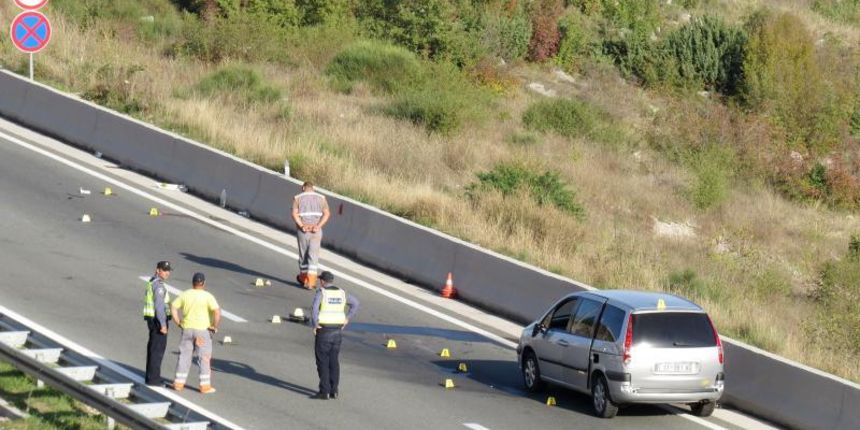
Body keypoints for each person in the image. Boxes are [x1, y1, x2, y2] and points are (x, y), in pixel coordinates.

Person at [310, 271, 359, 400]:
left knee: (322, 361)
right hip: (337, 332)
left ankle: (324, 391)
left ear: (322, 281)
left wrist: (315, 324)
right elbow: (356, 304)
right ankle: (334, 390)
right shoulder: (342, 293)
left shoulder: (322, 292)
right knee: (334, 361)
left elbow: (314, 309)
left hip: (324, 330)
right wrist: (347, 318)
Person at [171, 272, 221, 394]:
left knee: (184, 356)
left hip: (187, 329)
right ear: (203, 283)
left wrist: (178, 322)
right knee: (204, 357)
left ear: (192, 283)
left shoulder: (185, 294)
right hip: (202, 331)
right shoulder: (208, 296)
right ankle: (205, 386)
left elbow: (173, 306)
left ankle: (178, 383)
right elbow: (217, 312)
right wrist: (214, 326)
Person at [292, 182, 330, 289]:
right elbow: (327, 214)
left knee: (303, 255)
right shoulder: (322, 198)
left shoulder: (297, 198)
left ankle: (304, 279)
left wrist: (302, 225)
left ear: (303, 188)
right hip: (316, 231)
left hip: (303, 231)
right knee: (313, 256)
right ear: (313, 188)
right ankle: (311, 282)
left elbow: (294, 214)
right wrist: (318, 226)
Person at [144, 260, 172, 386]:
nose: (167, 273)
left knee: (153, 349)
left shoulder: (152, 281)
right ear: (158, 270)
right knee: (157, 350)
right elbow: (159, 306)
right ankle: (154, 380)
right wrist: (163, 324)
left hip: (152, 320)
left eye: (168, 270)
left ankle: (151, 377)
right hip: (157, 321)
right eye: (164, 270)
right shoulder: (159, 286)